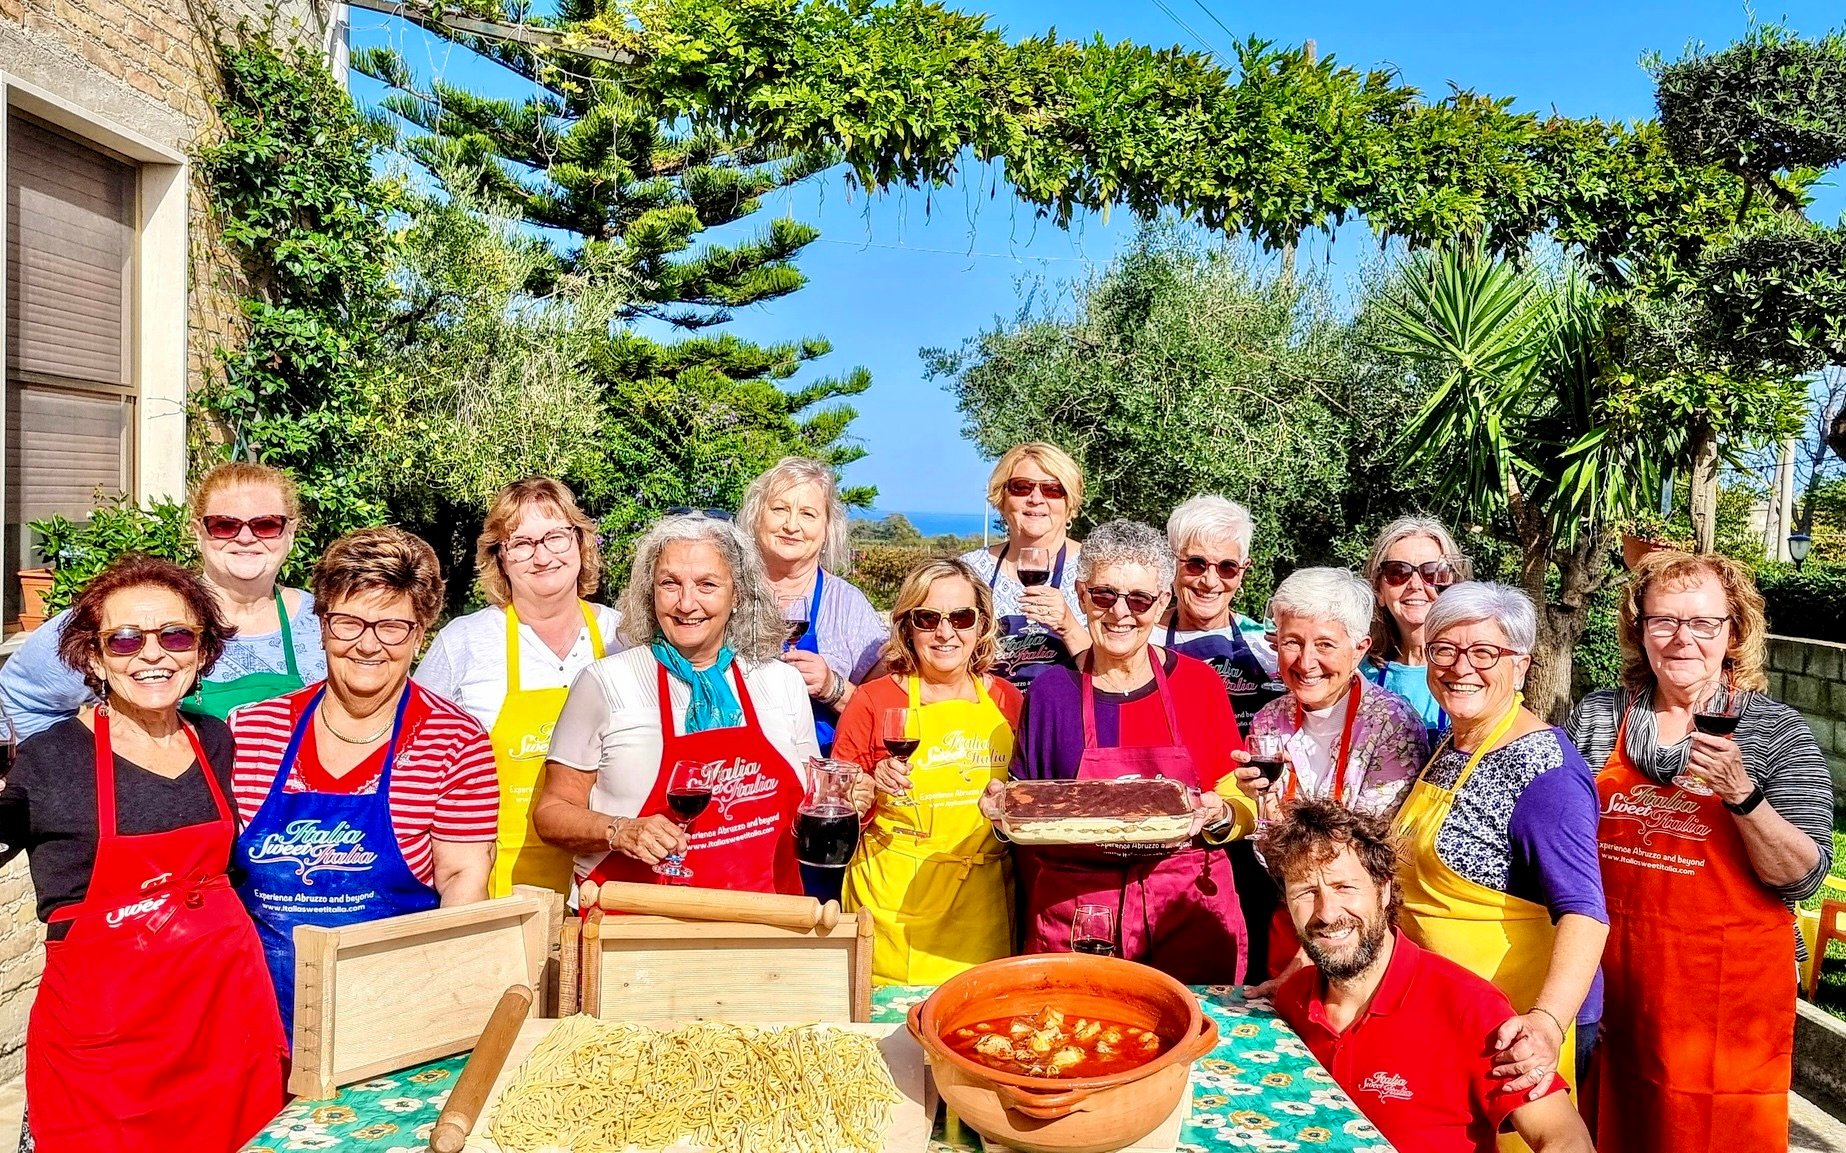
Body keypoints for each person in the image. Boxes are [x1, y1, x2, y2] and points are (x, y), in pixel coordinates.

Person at [0, 556, 284, 1152]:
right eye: (126, 639)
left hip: (225, 1026)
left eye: (176, 636)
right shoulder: (50, 759)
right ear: (94, 656)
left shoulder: (216, 739)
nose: (153, 654)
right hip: (108, 1048)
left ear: (202, 650)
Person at [1568, 550, 1834, 1153]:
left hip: (1722, 999)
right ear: (1639, 630)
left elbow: (1804, 878)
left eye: (1704, 623)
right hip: (1611, 985)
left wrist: (1744, 796)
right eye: (1663, 620)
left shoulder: (1776, 731)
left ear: (1733, 631)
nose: (1682, 638)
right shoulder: (1598, 717)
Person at [231, 528, 498, 1039]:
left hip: (392, 1015)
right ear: (322, 626)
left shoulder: (455, 741)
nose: (368, 644)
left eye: (392, 626)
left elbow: (463, 878)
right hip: (256, 1016)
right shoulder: (253, 729)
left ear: (419, 634)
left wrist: (441, 1008)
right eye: (348, 623)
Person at [536, 513, 862, 895]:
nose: (686, 603)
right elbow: (552, 813)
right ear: (650, 592)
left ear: (737, 594)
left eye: (707, 585)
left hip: (765, 915)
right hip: (639, 917)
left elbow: (808, 800)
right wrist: (620, 830)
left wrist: (850, 797)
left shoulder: (781, 681)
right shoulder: (606, 683)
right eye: (669, 584)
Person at [1393, 582, 1608, 1132]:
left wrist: (1547, 1022)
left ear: (1521, 665)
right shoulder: (1453, 742)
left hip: (1513, 1026)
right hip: (1444, 1010)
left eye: (1484, 652)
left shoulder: (1545, 771)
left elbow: (1585, 913)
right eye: (1444, 649)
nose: (1460, 666)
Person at [1264, 799, 1593, 1153]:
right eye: (1306, 893)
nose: (1327, 913)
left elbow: (1567, 1139)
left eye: (1344, 887)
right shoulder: (1291, 1002)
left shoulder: (1468, 1008)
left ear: (1383, 889)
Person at [994, 519, 1244, 984]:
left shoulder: (1200, 686)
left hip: (1184, 911)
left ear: (1163, 602)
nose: (1120, 613)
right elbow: (1027, 811)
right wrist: (1003, 814)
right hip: (1077, 917)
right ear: (1081, 595)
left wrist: (1223, 814)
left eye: (1140, 599)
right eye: (1104, 595)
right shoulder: (1052, 693)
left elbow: (1236, 796)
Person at [0, 461, 326, 733]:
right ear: (198, 532)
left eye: (266, 525)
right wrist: (59, 773)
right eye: (224, 525)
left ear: (290, 532)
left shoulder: (325, 623)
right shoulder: (137, 610)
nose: (245, 538)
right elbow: (19, 696)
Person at [416, 478, 624, 897]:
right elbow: (417, 762)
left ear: (580, 542)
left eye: (555, 537)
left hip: (611, 880)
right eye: (522, 544)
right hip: (495, 888)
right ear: (500, 559)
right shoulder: (464, 643)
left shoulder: (624, 636)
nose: (542, 556)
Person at [1226, 567, 1429, 988]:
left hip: (1357, 930)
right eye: (1292, 643)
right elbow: (1268, 845)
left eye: (1324, 645)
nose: (1306, 662)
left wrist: (1303, 962)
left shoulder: (1392, 724)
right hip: (1290, 916)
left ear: (1359, 649)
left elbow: (1372, 853)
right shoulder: (1269, 721)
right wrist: (1257, 805)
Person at [835, 558, 1022, 984]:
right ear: (907, 627)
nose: (945, 632)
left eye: (961, 617)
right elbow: (836, 806)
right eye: (927, 618)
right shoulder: (872, 701)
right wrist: (867, 789)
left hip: (982, 904)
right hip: (893, 903)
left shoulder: (1008, 700)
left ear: (981, 625)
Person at [741, 457, 889, 753]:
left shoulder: (846, 604)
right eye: (780, 509)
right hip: (739, 766)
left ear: (827, 530)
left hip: (821, 770)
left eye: (807, 514)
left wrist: (832, 687)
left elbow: (885, 712)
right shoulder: (729, 592)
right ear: (756, 517)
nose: (791, 525)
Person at [959, 442, 1090, 690]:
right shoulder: (969, 571)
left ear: (1069, 502)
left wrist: (1069, 627)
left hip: (1068, 712)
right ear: (1002, 498)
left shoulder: (1095, 570)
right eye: (1021, 487)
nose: (1036, 499)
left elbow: (1117, 670)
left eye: (1052, 489)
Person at [1161, 496, 1283, 732]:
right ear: (1172, 562)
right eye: (1196, 564)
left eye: (1227, 567)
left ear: (1243, 570)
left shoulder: (1265, 644)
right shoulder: (1140, 638)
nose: (1210, 581)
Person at [1362, 515, 1470, 741]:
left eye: (1431, 573)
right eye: (1397, 572)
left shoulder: (1471, 672)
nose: (1415, 585)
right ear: (1379, 590)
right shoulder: (1359, 674)